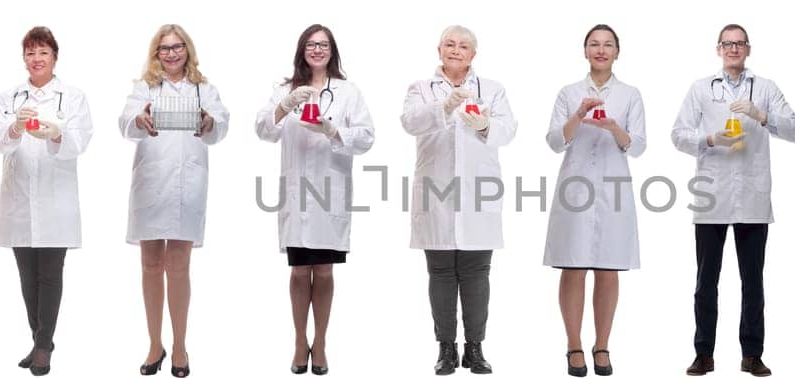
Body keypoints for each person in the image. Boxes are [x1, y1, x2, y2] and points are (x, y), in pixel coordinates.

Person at [672, 23, 795, 377]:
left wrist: (763, 116)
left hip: (752, 196)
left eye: (739, 43)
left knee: (753, 282)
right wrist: (710, 139)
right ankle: (704, 354)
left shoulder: (765, 88)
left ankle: (752, 355)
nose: (733, 49)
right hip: (711, 195)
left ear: (748, 49)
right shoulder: (701, 89)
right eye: (727, 44)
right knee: (705, 283)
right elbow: (678, 135)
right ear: (718, 49)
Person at [255, 23, 375, 376]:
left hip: (330, 191)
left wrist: (332, 129)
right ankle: (298, 341)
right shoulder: (284, 89)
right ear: (301, 50)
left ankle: (320, 342)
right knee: (298, 271)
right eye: (311, 44)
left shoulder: (348, 91)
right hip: (296, 192)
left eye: (323, 45)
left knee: (323, 270)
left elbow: (367, 137)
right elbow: (263, 129)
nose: (317, 50)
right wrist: (285, 105)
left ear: (332, 50)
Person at [400, 24, 518, 376]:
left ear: (473, 55)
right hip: (435, 193)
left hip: (478, 194)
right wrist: (443, 105)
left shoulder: (492, 90)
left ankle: (476, 349)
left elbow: (508, 129)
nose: (455, 50)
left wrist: (483, 124)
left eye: (463, 46)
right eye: (449, 44)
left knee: (477, 273)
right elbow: (409, 122)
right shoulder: (421, 89)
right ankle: (447, 349)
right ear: (439, 51)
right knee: (440, 273)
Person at [119, 24, 229, 378]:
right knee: (151, 264)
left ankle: (179, 344)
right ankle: (155, 343)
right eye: (164, 48)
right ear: (156, 53)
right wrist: (139, 118)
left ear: (188, 50)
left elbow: (222, 123)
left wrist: (210, 120)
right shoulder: (144, 88)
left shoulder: (204, 89)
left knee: (179, 265)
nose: (171, 53)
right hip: (151, 183)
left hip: (187, 184)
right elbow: (124, 123)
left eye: (177, 47)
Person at [0, 26, 94, 377]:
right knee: (27, 274)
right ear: (24, 58)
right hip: (18, 199)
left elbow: (82, 139)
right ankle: (39, 339)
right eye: (31, 53)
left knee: (50, 274)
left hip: (55, 201)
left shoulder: (72, 97)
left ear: (55, 57)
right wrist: (14, 130)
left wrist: (57, 132)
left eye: (43, 52)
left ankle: (44, 345)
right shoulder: (9, 97)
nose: (36, 59)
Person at [545, 24, 648, 378]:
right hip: (575, 188)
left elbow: (639, 145)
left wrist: (614, 128)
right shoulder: (569, 92)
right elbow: (555, 142)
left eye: (607, 45)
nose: (601, 50)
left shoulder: (630, 94)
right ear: (585, 51)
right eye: (594, 44)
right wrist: (579, 114)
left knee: (608, 267)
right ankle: (574, 345)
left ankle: (601, 344)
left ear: (617, 52)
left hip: (613, 188)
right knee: (573, 265)